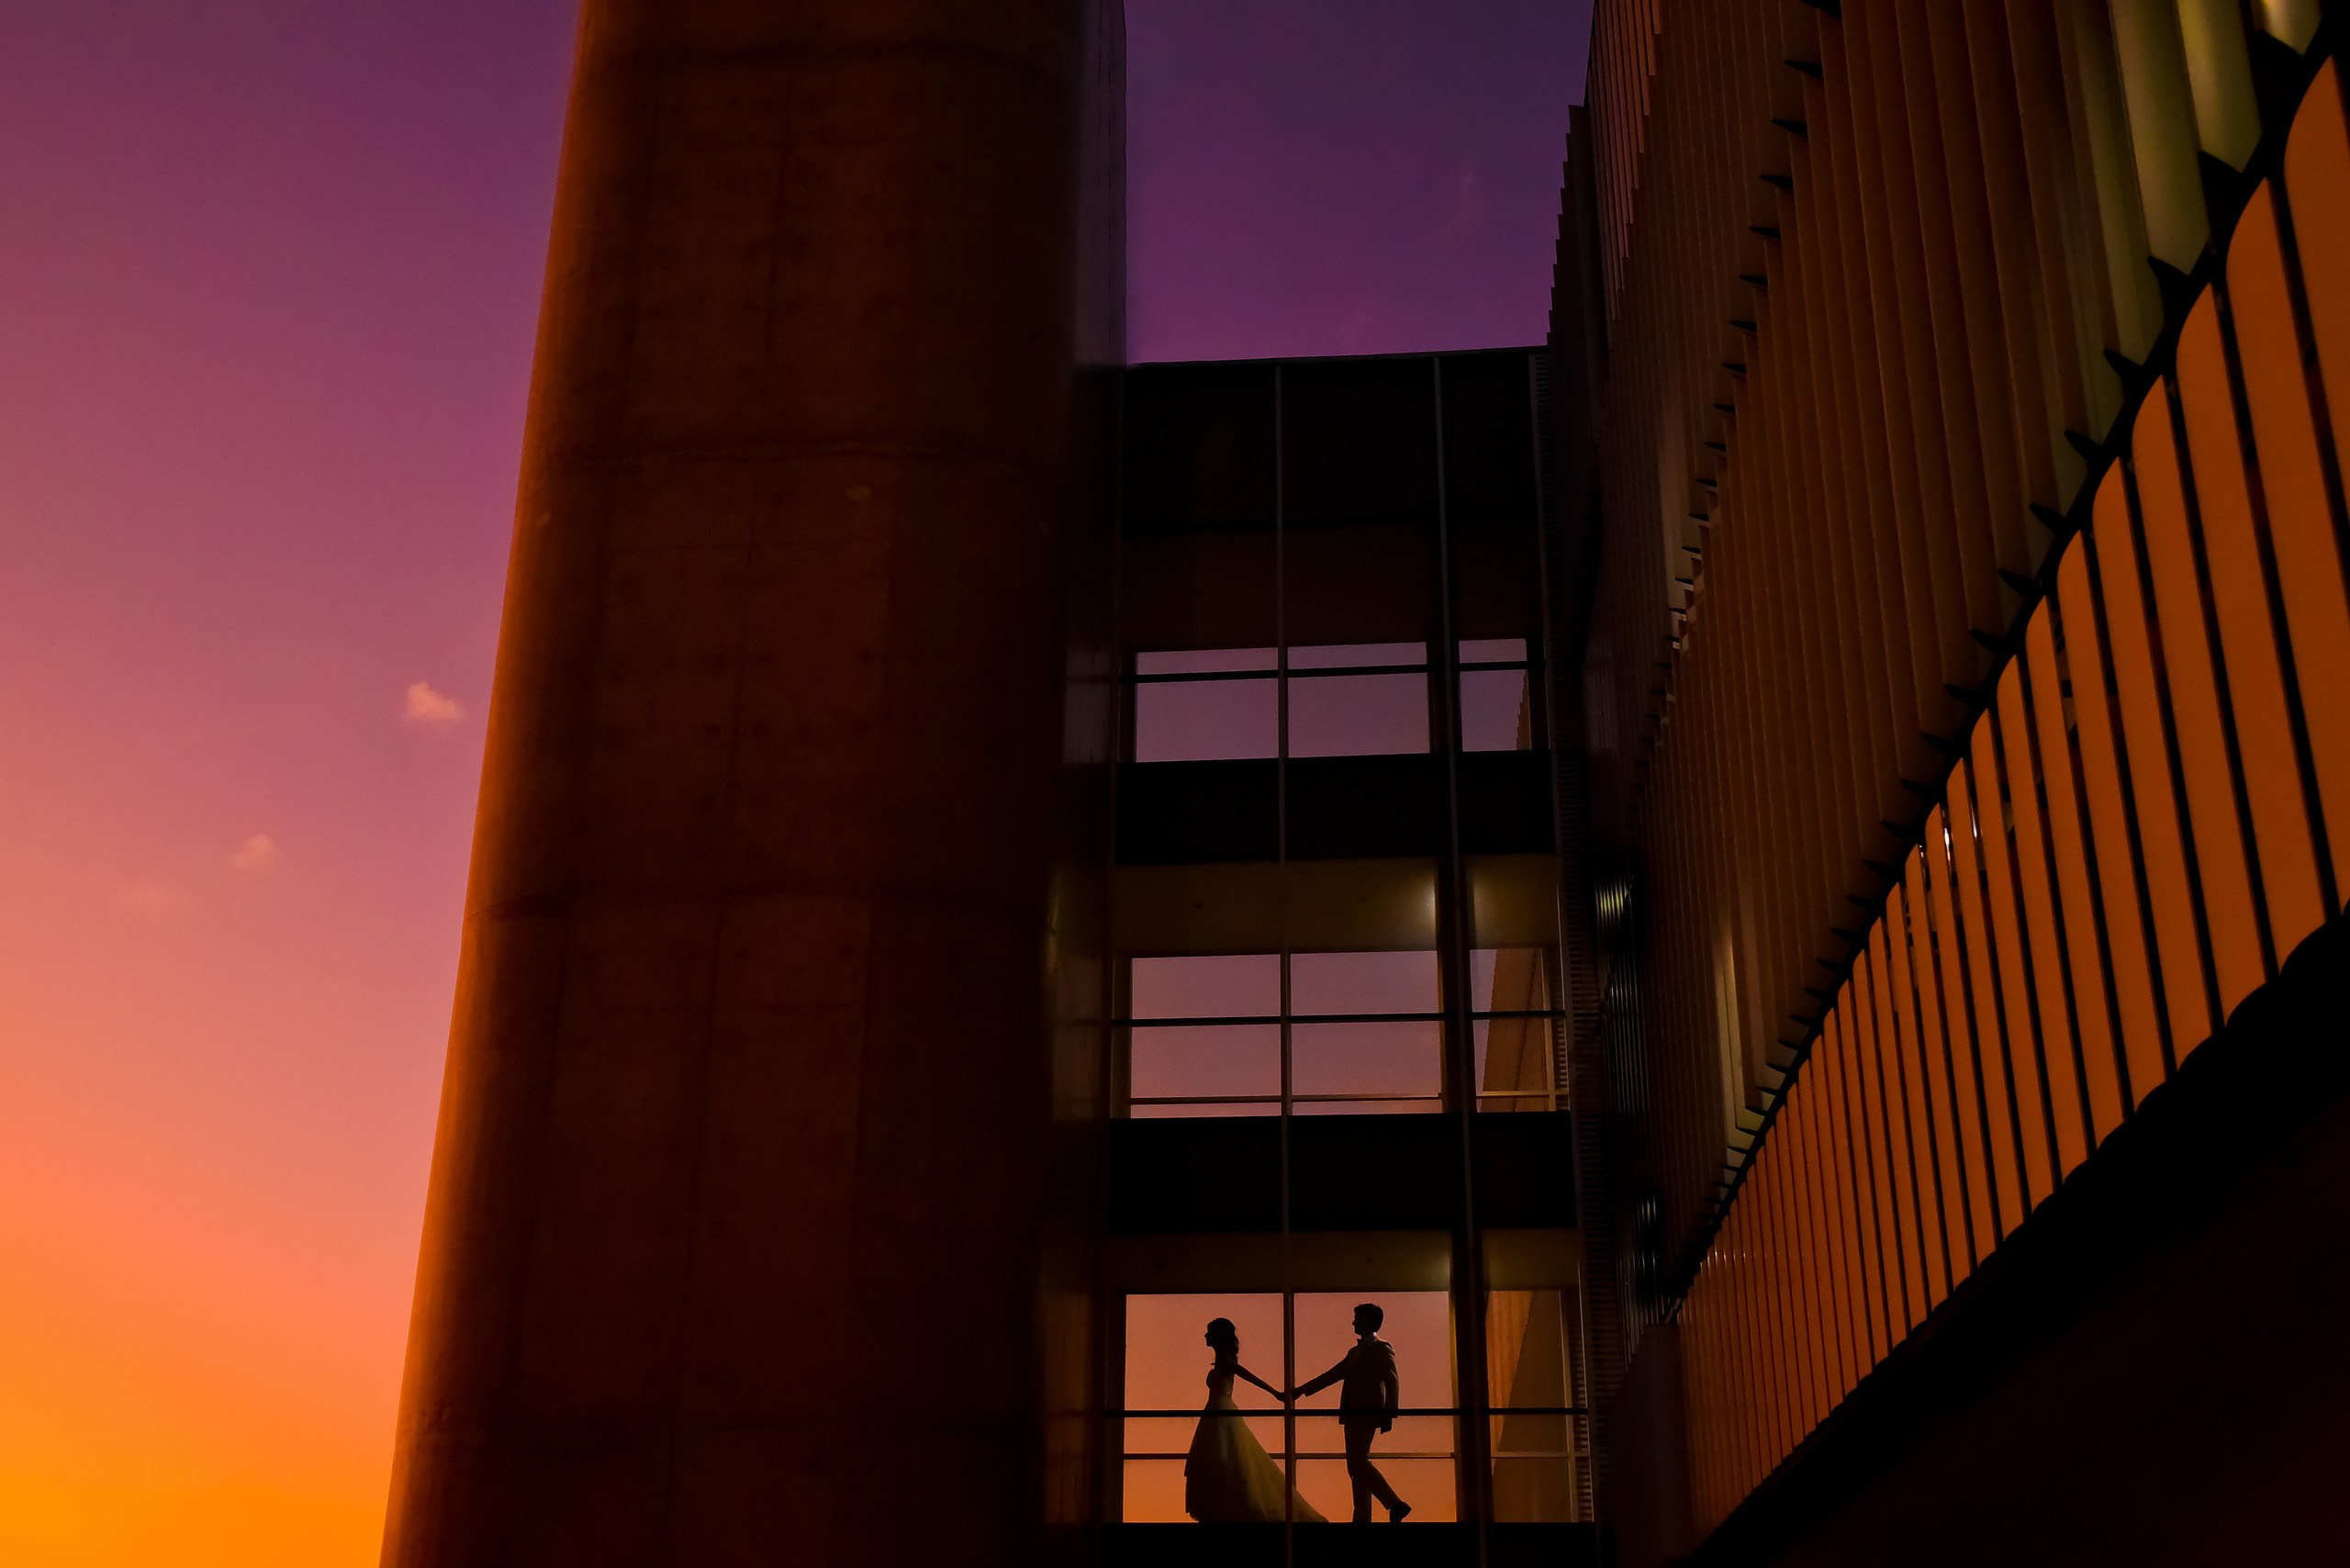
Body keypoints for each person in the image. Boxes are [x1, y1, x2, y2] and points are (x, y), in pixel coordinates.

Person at [1184, 1318, 1326, 1524]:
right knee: (1225, 1461)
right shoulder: (1222, 1358)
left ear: (1217, 1336)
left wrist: (1275, 1393)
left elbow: (1247, 1376)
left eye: (1209, 1332)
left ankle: (1227, 1511)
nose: (1205, 1336)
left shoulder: (1224, 1359)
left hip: (1220, 1412)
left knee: (1222, 1461)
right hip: (1216, 1412)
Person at [1288, 1303, 1412, 1524]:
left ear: (1368, 1321)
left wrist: (1390, 1413)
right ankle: (1363, 1516)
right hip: (1354, 1413)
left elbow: (1392, 1380)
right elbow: (1333, 1374)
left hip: (1367, 1412)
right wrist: (1302, 1390)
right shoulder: (1355, 1352)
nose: (1353, 1322)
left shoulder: (1382, 1348)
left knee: (1358, 1463)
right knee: (1355, 1465)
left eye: (1357, 1318)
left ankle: (1394, 1503)